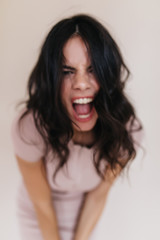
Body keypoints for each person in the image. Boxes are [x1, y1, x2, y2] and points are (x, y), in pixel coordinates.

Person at [11, 14, 142, 240]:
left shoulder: (127, 132)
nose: (81, 83)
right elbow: (42, 206)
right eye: (67, 71)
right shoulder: (30, 128)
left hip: (85, 214)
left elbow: (98, 196)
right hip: (38, 214)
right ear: (52, 79)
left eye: (92, 69)